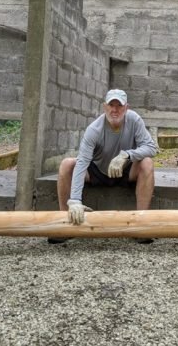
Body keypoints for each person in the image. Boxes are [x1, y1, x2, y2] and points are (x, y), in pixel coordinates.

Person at [50, 89, 158, 244]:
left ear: (126, 107)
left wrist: (126, 155)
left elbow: (151, 148)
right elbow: (82, 163)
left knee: (147, 163)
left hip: (125, 170)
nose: (115, 110)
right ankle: (66, 222)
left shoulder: (134, 120)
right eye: (111, 105)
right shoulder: (94, 129)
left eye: (119, 106)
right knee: (67, 164)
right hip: (98, 171)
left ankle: (140, 224)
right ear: (104, 107)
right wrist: (74, 200)